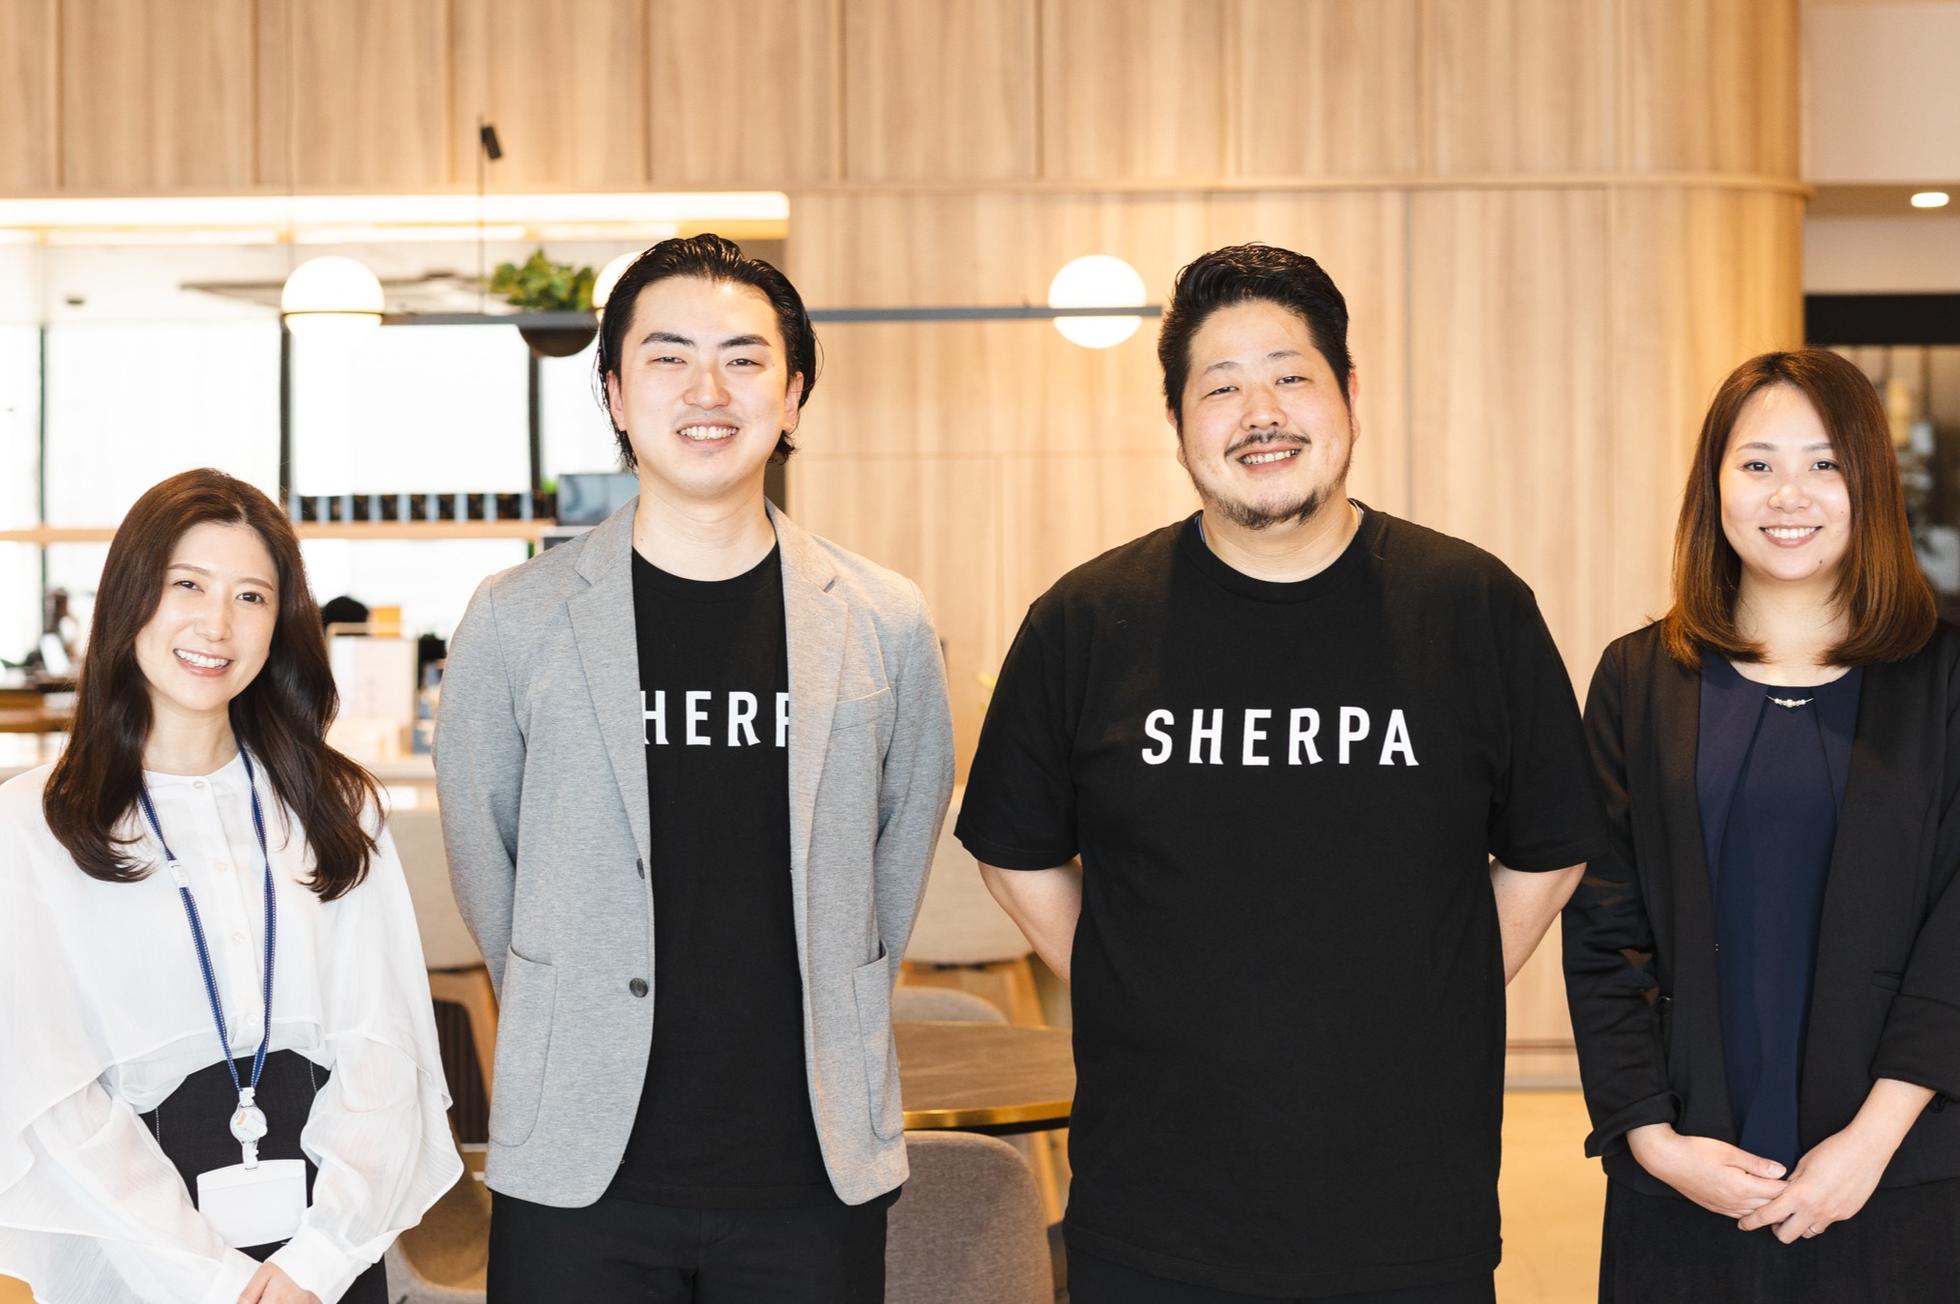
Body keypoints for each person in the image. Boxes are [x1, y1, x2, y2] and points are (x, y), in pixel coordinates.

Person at [955, 243, 1606, 1303]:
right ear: (1177, 424)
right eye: (1220, 387)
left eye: (1291, 375)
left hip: (1409, 1210)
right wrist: (1137, 989)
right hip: (1155, 1210)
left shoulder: (1470, 605)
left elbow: (1549, 846)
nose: (1260, 412)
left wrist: (1432, 993)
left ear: (1349, 395)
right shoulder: (1085, 620)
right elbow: (1014, 849)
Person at [437, 234, 954, 1304]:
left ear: (793, 395)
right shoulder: (515, 617)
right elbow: (487, 856)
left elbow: (898, 850)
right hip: (579, 1160)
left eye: (744, 358)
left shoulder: (884, 619)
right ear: (616, 395)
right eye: (668, 358)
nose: (707, 390)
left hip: (810, 1164)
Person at [0, 468, 460, 1304]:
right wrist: (215, 1279)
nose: (217, 625)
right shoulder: (34, 824)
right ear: (130, 596)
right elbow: (54, 1098)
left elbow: (384, 1051)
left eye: (251, 597)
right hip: (140, 1250)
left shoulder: (335, 805)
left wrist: (319, 1260)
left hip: (325, 1239)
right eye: (188, 585)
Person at [1563, 349, 1960, 1303]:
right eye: (1757, 463)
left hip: (1902, 1168)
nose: (1790, 494)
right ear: (1715, 485)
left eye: (1826, 464)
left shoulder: (1942, 679)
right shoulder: (1637, 680)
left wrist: (1869, 1144)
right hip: (1687, 1170)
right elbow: (1603, 928)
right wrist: (1652, 1138)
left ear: (1872, 483)